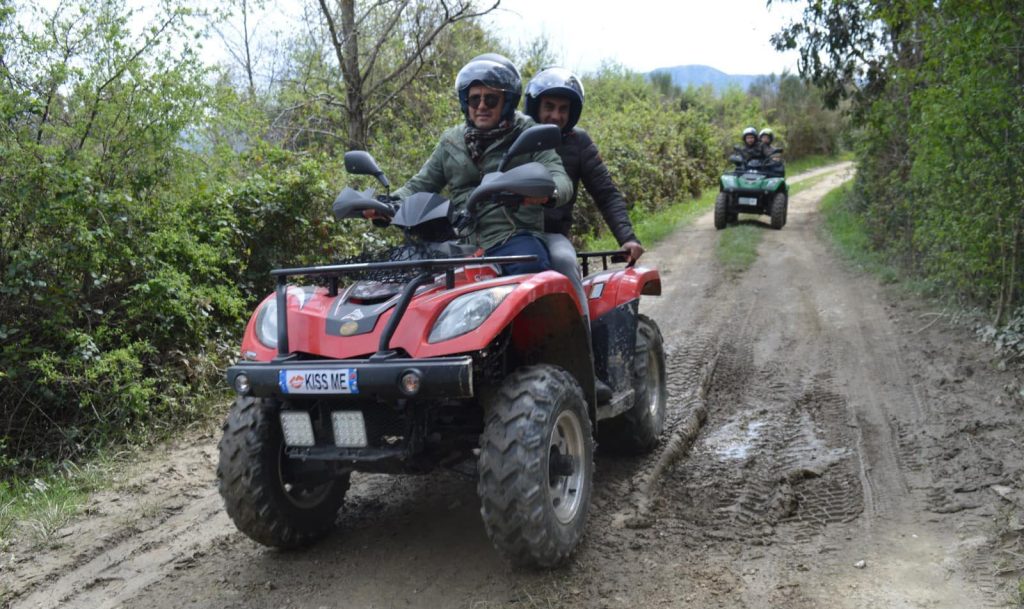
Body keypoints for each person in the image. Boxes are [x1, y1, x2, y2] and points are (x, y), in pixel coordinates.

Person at [390, 54, 573, 276]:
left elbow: (560, 178)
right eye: (475, 99)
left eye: (491, 100)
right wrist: (387, 204)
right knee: (402, 268)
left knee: (531, 269)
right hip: (460, 241)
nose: (482, 106)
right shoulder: (451, 141)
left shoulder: (528, 133)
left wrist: (547, 192)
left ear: (507, 103)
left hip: (512, 238)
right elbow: (420, 184)